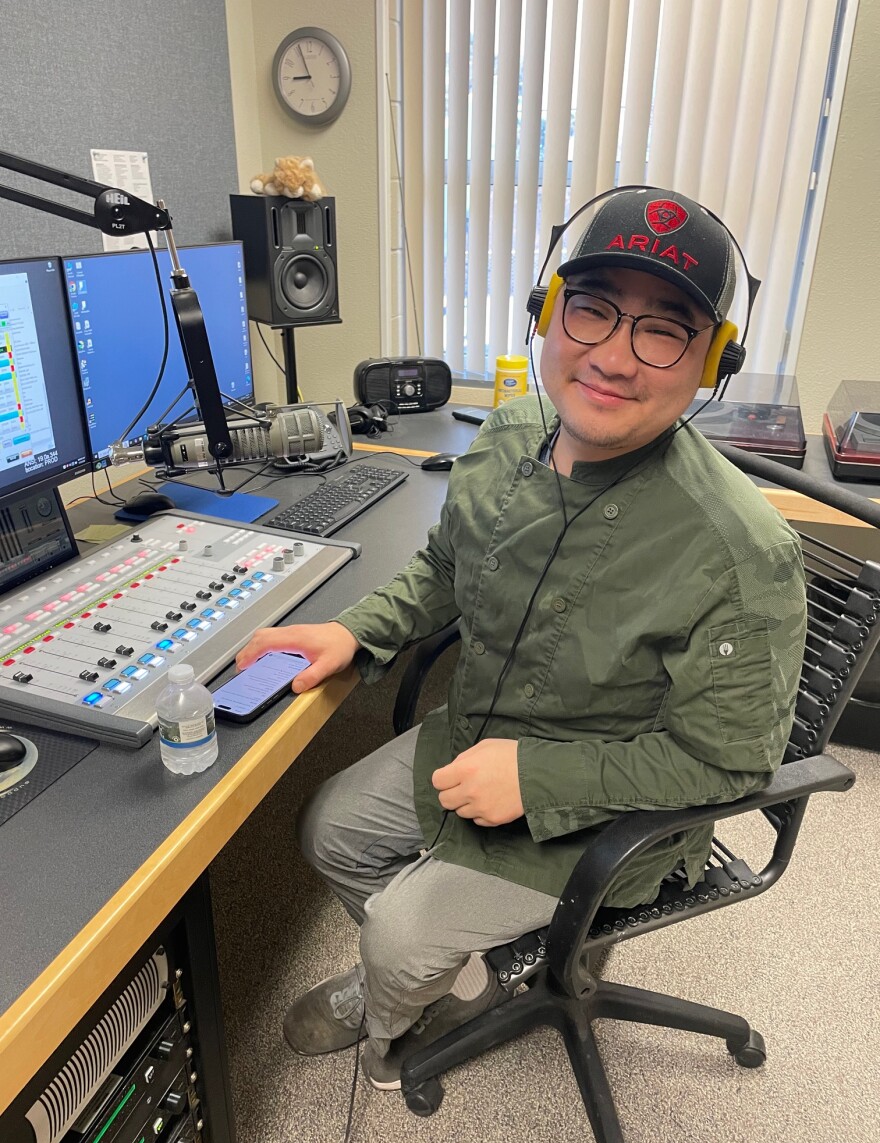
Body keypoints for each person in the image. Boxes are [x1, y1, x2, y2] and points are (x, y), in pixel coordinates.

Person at [236, 186, 807, 1091]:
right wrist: (353, 631)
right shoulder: (508, 434)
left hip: (612, 811)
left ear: (712, 362)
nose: (613, 356)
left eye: (664, 331)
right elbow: (444, 568)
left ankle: (399, 1008)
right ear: (548, 312)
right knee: (331, 830)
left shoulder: (741, 551)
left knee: (397, 934)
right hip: (479, 730)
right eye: (592, 310)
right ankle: (430, 977)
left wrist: (536, 779)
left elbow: (729, 761)